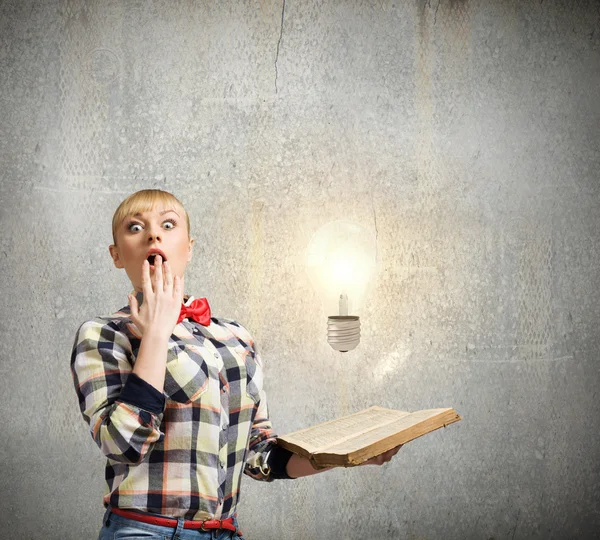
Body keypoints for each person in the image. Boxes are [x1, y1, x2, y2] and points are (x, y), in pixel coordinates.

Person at [70, 189, 401, 539]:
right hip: (143, 532)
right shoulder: (103, 334)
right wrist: (155, 335)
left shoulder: (236, 338)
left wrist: (347, 456)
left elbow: (259, 454)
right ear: (116, 254)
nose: (154, 234)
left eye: (168, 224)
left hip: (225, 532)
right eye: (136, 227)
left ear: (189, 246)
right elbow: (124, 445)